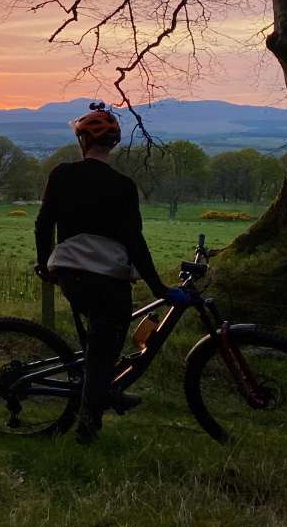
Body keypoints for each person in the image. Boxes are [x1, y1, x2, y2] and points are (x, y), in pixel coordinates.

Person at [34, 102, 185, 442]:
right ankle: (90, 420)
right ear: (112, 144)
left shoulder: (61, 174)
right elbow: (134, 241)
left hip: (70, 273)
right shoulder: (123, 186)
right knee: (106, 345)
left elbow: (43, 224)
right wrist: (159, 287)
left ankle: (105, 390)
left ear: (83, 142)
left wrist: (45, 264)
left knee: (100, 343)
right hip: (108, 277)